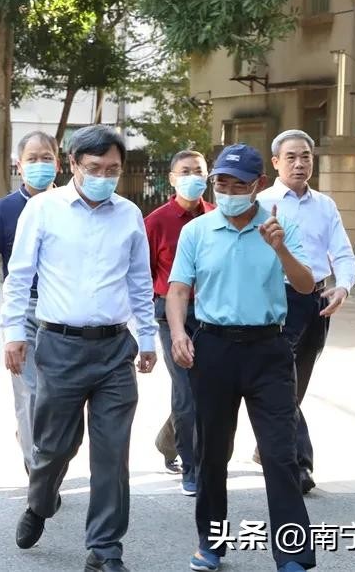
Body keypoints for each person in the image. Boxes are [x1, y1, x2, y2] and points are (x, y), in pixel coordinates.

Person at [3, 126, 157, 572]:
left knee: (112, 453)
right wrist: (13, 333)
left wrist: (147, 337)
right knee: (53, 447)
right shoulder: (42, 209)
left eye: (113, 169)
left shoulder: (129, 214)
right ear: (72, 164)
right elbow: (19, 275)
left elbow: (139, 280)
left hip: (115, 351)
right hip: (59, 346)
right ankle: (40, 502)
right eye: (94, 168)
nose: (103, 177)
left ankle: (105, 548)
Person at [166, 143, 315, 572]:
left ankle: (292, 553)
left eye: (239, 185)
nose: (229, 191)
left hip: (268, 350)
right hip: (213, 348)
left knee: (279, 453)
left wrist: (281, 249)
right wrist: (178, 333)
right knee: (212, 452)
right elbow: (178, 289)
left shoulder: (280, 225)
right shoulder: (198, 231)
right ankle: (211, 543)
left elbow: (306, 285)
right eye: (222, 183)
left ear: (258, 185)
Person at [256, 129, 355, 494]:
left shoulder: (325, 205)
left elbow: (343, 254)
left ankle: (269, 444)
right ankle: (298, 463)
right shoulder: (261, 202)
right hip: (276, 300)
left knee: (296, 384)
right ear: (276, 162)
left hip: (315, 300)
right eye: (291, 157)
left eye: (306, 157)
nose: (299, 164)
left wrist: (342, 286)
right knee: (282, 381)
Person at [0, 131, 60, 474]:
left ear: (59, 164)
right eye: (32, 159)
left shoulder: (73, 206)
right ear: (19, 165)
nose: (39, 164)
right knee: (30, 393)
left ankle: (40, 449)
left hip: (65, 315)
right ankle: (38, 472)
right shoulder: (4, 210)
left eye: (46, 158)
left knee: (59, 397)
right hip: (25, 310)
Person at [145, 149, 213, 497]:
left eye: (198, 171)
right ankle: (192, 468)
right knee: (187, 389)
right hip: (170, 314)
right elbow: (142, 274)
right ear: (172, 179)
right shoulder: (156, 222)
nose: (192, 177)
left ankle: (167, 440)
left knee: (208, 389)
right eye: (185, 171)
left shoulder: (216, 217)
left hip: (214, 315)